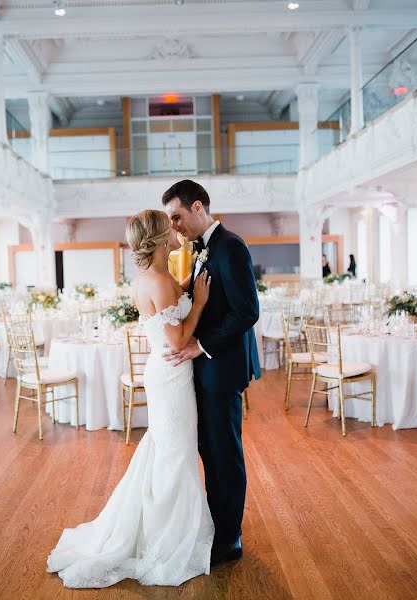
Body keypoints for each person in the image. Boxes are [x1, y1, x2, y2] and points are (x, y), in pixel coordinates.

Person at [47, 209, 215, 588]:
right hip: (171, 374)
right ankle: (166, 537)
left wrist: (186, 286)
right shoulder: (160, 282)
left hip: (162, 373)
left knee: (167, 450)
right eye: (168, 226)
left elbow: (169, 303)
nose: (176, 230)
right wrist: (200, 301)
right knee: (177, 454)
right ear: (158, 240)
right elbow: (177, 339)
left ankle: (158, 524)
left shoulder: (152, 278)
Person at [161, 179, 261, 568]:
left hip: (222, 367)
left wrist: (200, 346)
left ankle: (230, 536)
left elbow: (247, 311)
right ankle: (218, 526)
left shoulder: (230, 246)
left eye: (178, 217)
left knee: (224, 455)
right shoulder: (203, 249)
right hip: (205, 368)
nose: (176, 227)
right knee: (209, 450)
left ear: (198, 207)